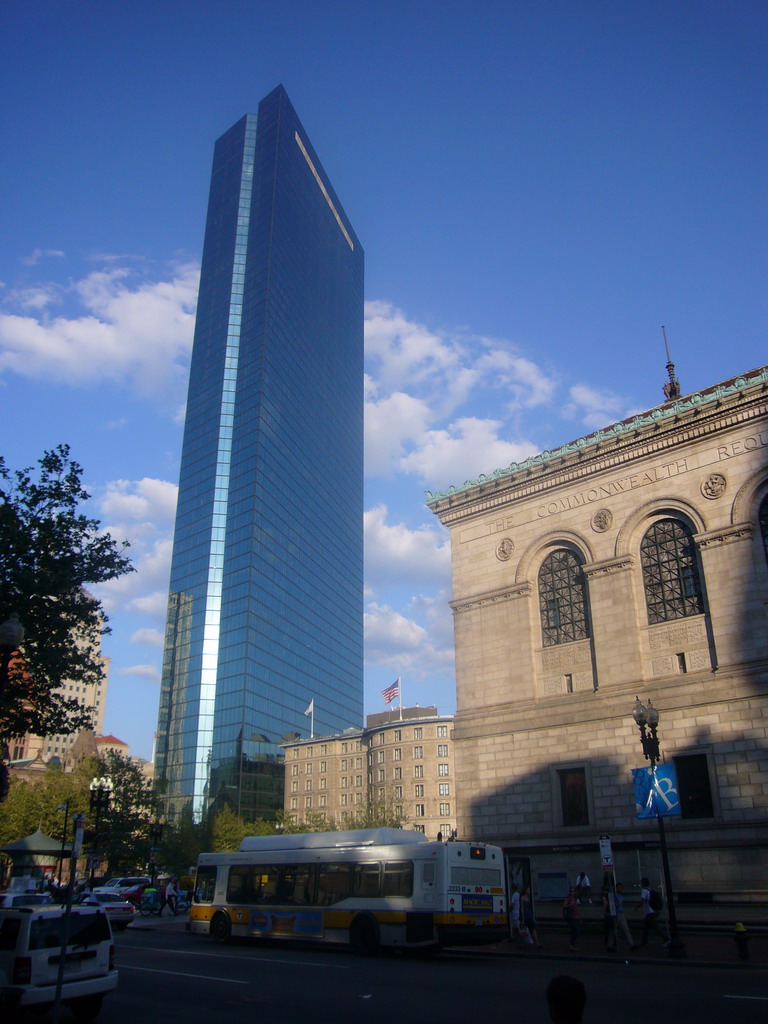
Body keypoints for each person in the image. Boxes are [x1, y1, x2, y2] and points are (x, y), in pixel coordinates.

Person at [638, 876, 665, 945]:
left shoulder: (644, 891)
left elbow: (643, 901)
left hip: (649, 912)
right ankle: (644, 941)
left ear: (643, 884)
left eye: (641, 883)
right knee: (645, 927)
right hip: (652, 911)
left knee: (655, 927)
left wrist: (636, 907)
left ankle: (666, 938)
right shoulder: (650, 890)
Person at [614, 882, 637, 951]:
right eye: (619, 887)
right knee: (614, 931)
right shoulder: (615, 895)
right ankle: (611, 944)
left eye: (621, 887)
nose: (620, 888)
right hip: (616, 914)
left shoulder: (620, 895)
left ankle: (631, 944)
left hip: (621, 914)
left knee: (626, 929)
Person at [562, 887, 581, 951]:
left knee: (575, 930)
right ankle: (572, 944)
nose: (572, 893)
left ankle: (572, 944)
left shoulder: (575, 899)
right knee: (576, 929)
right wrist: (570, 905)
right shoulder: (568, 899)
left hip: (575, 916)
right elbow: (564, 906)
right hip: (571, 917)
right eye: (571, 891)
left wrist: (579, 916)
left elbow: (576, 908)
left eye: (573, 892)